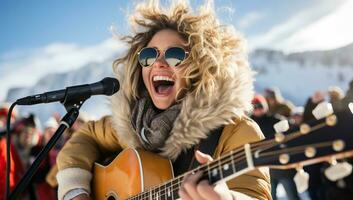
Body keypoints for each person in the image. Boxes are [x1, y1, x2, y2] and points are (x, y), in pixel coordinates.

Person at [56, 1, 271, 200]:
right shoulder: (130, 124)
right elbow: (84, 138)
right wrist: (76, 191)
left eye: (174, 54)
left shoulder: (236, 131)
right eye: (149, 55)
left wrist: (228, 198)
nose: (158, 63)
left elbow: (254, 192)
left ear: (201, 66)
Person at [250, 95, 299, 200]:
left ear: (265, 106)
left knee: (293, 196)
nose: (258, 109)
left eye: (260, 106)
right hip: (264, 169)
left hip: (282, 165)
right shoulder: (249, 124)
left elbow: (291, 127)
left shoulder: (275, 119)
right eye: (255, 106)